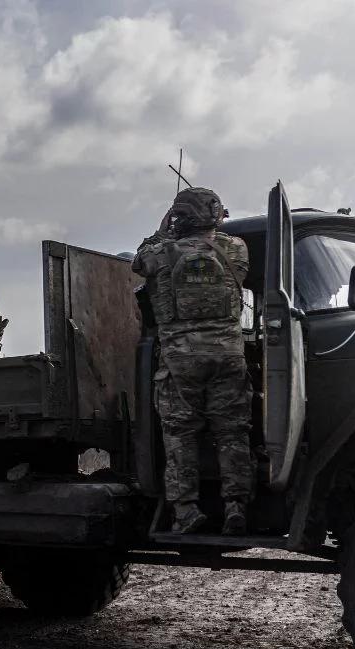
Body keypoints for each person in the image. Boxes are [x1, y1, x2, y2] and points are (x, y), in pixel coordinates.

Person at [132, 187, 253, 535]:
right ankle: (236, 506)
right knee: (232, 433)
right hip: (228, 355)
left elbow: (139, 262)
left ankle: (186, 512)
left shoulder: (162, 253)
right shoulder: (236, 249)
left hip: (181, 360)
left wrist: (162, 230)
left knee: (180, 435)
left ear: (179, 217)